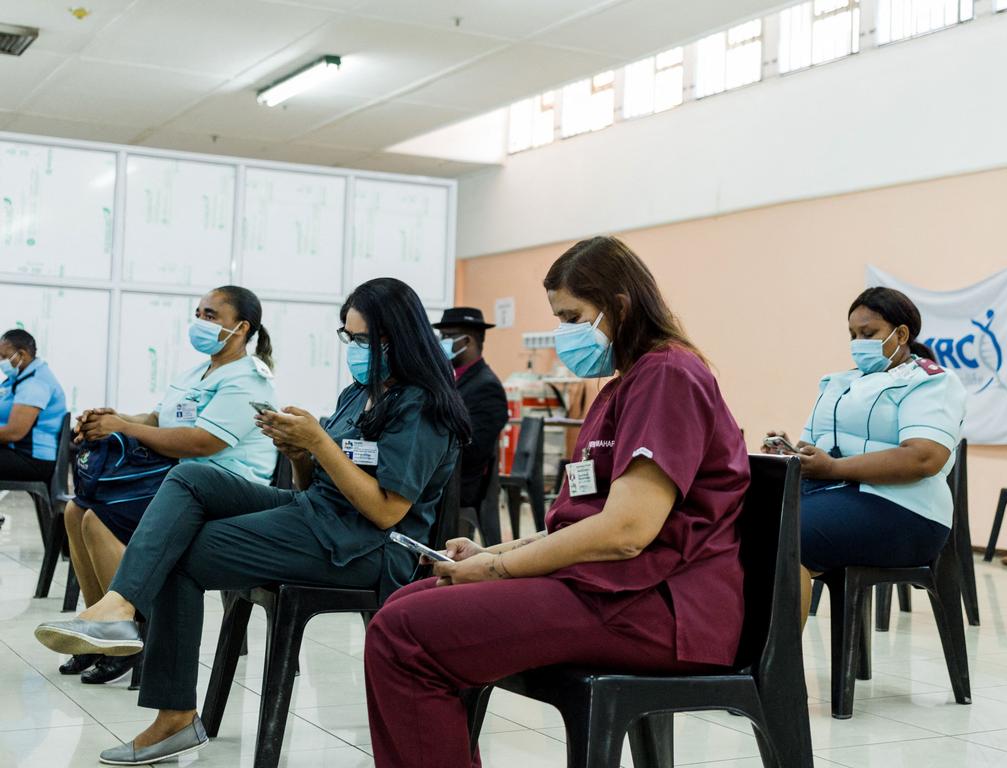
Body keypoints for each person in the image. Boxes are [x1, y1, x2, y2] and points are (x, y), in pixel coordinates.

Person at [34, 277, 470, 766]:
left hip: (368, 547)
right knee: (195, 478)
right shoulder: (357, 393)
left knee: (179, 555)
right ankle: (118, 608)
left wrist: (320, 443)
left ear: (401, 338)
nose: (357, 349)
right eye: (350, 338)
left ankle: (173, 713)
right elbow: (311, 487)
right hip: (318, 515)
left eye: (367, 340)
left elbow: (387, 510)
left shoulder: (421, 406)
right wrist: (301, 453)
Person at [362, 236, 751, 768]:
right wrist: (491, 554)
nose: (564, 333)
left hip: (658, 606)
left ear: (619, 305)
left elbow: (625, 532)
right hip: (614, 589)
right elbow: (582, 518)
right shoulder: (624, 384)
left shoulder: (668, 375)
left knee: (403, 636)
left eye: (573, 316)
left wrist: (500, 569)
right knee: (404, 605)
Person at [57, 285, 280, 686]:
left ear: (242, 327)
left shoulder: (249, 381)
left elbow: (202, 441)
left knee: (99, 517)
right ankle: (99, 630)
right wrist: (114, 418)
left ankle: (128, 633)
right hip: (180, 482)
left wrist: (124, 428)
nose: (200, 322)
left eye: (211, 316)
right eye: (199, 313)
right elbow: (160, 419)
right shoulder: (197, 372)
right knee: (77, 508)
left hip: (227, 492)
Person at [762, 286, 967, 625]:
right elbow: (817, 449)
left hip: (906, 512)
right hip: (837, 496)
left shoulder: (931, 382)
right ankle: (747, 660)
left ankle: (779, 673)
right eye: (853, 334)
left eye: (868, 333)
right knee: (748, 520)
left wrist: (833, 468)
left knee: (783, 535)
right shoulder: (839, 384)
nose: (859, 342)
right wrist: (790, 451)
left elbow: (923, 458)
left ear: (901, 333)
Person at [433, 307, 509, 509]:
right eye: (441, 336)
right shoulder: (451, 379)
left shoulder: (486, 387)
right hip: (443, 477)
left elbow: (473, 450)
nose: (441, 342)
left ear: (467, 341)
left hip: (460, 486)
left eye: (447, 336)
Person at [0, 329, 68, 481]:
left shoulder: (35, 383)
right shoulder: (19, 378)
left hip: (31, 459)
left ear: (22, 354)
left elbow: (14, 432)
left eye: (4, 356)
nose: (1, 361)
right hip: (14, 451)